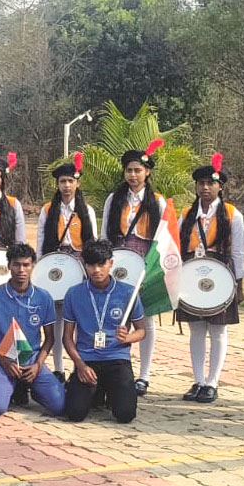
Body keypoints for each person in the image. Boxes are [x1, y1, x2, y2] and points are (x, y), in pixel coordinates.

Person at [175, 161, 244, 404]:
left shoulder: (232, 214)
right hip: (191, 273)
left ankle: (212, 382)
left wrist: (238, 283)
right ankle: (198, 380)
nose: (205, 188)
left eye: (210, 183)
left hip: (221, 274)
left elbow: (238, 252)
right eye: (201, 183)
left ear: (220, 187)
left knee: (218, 330)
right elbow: (177, 247)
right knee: (196, 329)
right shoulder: (187, 214)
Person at [102, 149, 166, 396]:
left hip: (145, 265)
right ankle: (117, 369)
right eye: (129, 170)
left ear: (147, 172)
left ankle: (144, 375)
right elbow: (105, 234)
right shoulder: (114, 199)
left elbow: (161, 240)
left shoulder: (157, 201)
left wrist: (153, 268)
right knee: (116, 316)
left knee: (145, 319)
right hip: (118, 262)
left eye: (138, 170)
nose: (133, 175)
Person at [61, 239, 147, 423]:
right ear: (85, 265)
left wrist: (127, 338)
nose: (96, 270)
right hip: (87, 360)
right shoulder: (74, 293)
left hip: (117, 359)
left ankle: (108, 389)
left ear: (111, 263)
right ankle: (96, 391)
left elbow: (142, 331)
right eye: (91, 265)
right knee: (74, 414)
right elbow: (67, 337)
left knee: (125, 415)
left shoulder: (128, 293)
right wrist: (80, 365)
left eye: (101, 264)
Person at [0, 244, 65, 417]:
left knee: (60, 406)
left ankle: (34, 389)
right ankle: (11, 387)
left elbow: (49, 338)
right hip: (5, 360)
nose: (21, 270)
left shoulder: (43, 297)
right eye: (16, 264)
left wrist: (38, 365)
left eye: (26, 265)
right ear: (9, 266)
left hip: (32, 359)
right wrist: (3, 361)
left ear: (33, 266)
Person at [35, 160, 98, 378]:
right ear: (57, 184)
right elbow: (41, 243)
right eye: (63, 181)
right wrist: (40, 269)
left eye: (71, 181)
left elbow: (93, 241)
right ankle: (58, 368)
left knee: (79, 318)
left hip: (79, 265)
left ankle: (78, 366)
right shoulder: (47, 210)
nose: (67, 186)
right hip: (55, 267)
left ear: (77, 183)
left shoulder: (87, 211)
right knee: (57, 319)